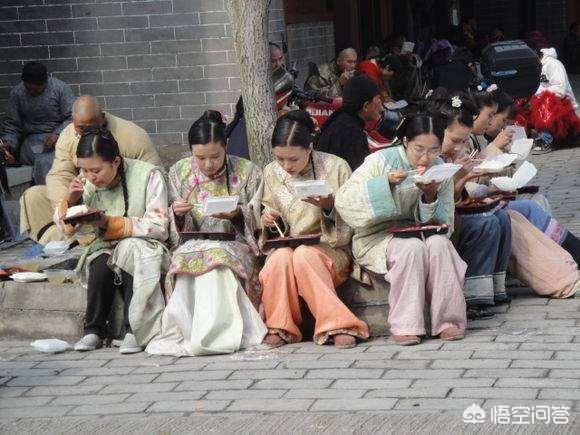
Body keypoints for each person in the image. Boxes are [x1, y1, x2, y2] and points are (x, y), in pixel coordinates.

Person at [335, 111, 467, 346]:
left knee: (440, 244)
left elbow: (445, 223)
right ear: (405, 141)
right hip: (376, 236)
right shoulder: (380, 161)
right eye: (419, 149)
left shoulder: (440, 170)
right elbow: (344, 200)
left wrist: (430, 196)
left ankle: (448, 321)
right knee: (410, 249)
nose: (425, 158)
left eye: (433, 150)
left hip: (421, 232)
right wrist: (384, 184)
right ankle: (406, 325)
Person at [146, 111, 266, 356]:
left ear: (226, 146)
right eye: (200, 158)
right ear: (191, 150)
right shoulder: (179, 172)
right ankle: (190, 331)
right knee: (183, 262)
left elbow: (258, 216)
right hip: (191, 243)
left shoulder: (248, 171)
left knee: (218, 259)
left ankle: (222, 332)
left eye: (215, 156)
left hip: (235, 243)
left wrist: (237, 215)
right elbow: (169, 222)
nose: (208, 164)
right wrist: (177, 214)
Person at [259, 110, 369, 349]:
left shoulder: (336, 167)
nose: (286, 166)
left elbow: (353, 217)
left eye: (293, 159)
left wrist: (329, 206)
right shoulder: (271, 172)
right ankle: (279, 326)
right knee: (278, 258)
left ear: (309, 148)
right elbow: (269, 212)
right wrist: (269, 219)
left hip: (331, 248)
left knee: (304, 255)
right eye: (280, 159)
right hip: (289, 244)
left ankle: (338, 324)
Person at [54, 128, 169, 353]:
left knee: (129, 251)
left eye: (96, 170)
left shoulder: (148, 175)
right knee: (99, 262)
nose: (90, 177)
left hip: (145, 245)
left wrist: (109, 223)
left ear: (116, 162)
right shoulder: (86, 181)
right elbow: (64, 228)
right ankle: (93, 330)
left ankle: (133, 329)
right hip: (106, 247)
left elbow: (159, 226)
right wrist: (71, 200)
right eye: (84, 170)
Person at [20, 95, 161, 245]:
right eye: (81, 128)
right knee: (33, 196)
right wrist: (69, 203)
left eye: (96, 170)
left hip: (126, 203)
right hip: (87, 198)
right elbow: (60, 175)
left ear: (102, 118)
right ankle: (70, 239)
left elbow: (153, 179)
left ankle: (86, 237)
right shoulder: (68, 137)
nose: (86, 133)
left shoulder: (133, 137)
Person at [433, 89, 512, 318]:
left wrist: (464, 176)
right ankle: (472, 297)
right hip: (439, 221)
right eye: (455, 141)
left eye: (463, 141)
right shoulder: (432, 157)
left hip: (453, 214)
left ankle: (492, 289)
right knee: (485, 223)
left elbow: (454, 197)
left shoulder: (452, 153)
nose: (459, 147)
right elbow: (441, 202)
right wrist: (464, 177)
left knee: (501, 217)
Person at [1, 62, 74, 184]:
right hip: (31, 142)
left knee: (46, 161)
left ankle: (49, 190)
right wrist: (8, 145)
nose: (32, 92)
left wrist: (57, 134)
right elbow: (12, 126)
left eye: (36, 89)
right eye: (28, 88)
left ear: (45, 82)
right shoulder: (17, 94)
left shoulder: (60, 89)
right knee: (37, 159)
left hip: (59, 139)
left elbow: (72, 117)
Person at [317, 75, 382, 170]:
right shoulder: (352, 134)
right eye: (378, 99)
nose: (381, 104)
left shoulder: (338, 119)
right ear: (366, 106)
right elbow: (362, 174)